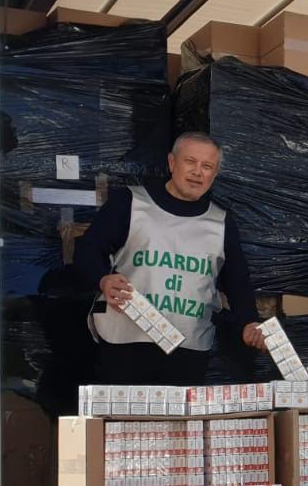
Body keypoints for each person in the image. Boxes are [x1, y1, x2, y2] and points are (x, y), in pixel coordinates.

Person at [75, 131, 266, 385]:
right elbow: (88, 250)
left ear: (215, 174)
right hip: (126, 342)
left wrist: (248, 322)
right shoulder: (131, 203)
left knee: (179, 425)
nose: (198, 172)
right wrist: (103, 280)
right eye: (190, 161)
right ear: (172, 163)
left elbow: (237, 281)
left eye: (207, 166)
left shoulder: (220, 222)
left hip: (187, 347)